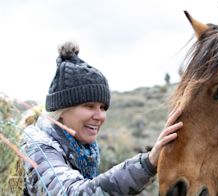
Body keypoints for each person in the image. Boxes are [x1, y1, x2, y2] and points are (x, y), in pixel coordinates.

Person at [21, 42, 183, 195]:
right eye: (89, 106)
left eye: (103, 107)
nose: (99, 116)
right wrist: (146, 164)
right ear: (61, 111)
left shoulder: (82, 150)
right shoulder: (38, 151)